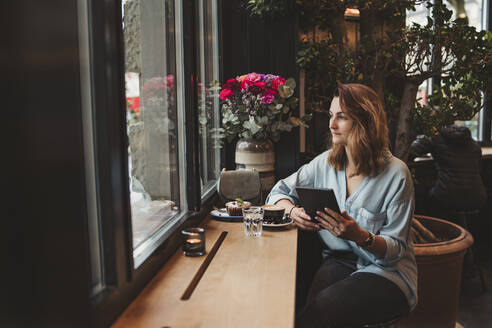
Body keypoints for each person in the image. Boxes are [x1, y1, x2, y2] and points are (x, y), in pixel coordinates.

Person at [266, 83, 417, 327]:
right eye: (330, 115)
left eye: (341, 117)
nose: (331, 124)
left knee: (321, 312)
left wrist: (361, 236)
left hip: (387, 273)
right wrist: (293, 212)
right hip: (339, 261)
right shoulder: (324, 163)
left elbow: (396, 250)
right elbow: (278, 192)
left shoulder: (397, 175)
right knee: (306, 313)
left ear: (365, 122)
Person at [409, 125, 487, 222]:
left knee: (421, 193)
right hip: (477, 196)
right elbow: (479, 169)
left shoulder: (437, 139)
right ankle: (461, 231)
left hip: (447, 196)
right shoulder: (474, 144)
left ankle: (436, 231)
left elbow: (413, 150)